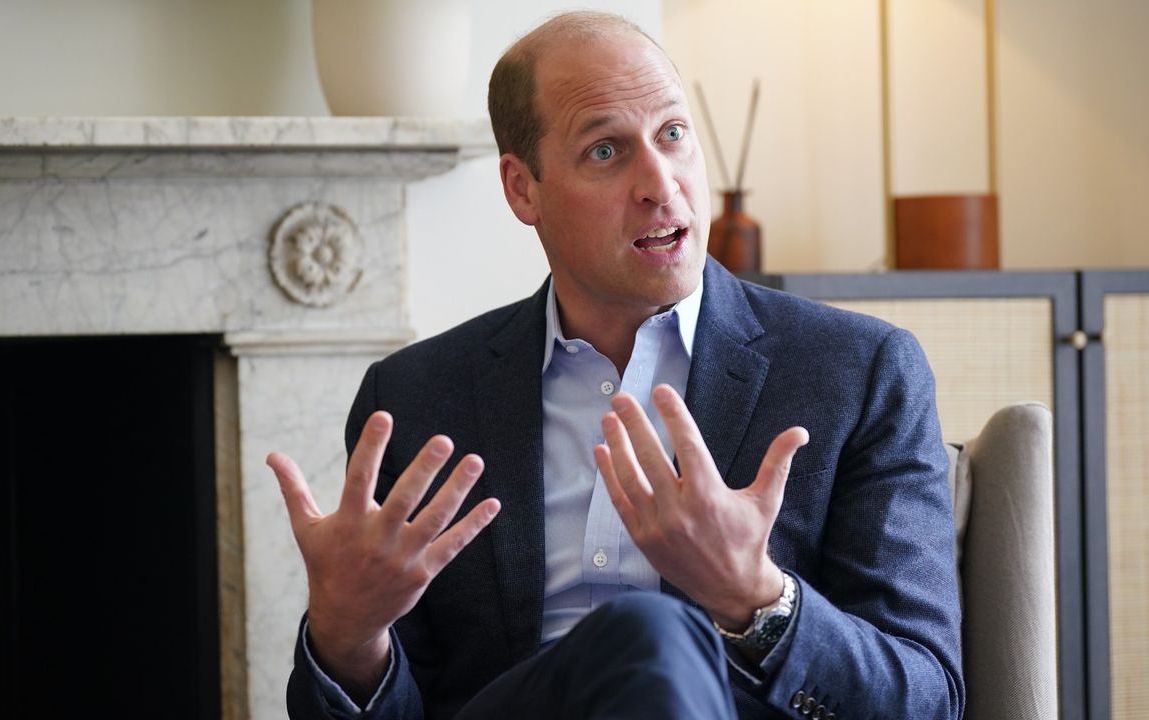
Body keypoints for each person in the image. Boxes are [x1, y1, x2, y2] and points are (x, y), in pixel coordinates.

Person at [269, 10, 964, 720]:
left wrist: (755, 597)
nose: (660, 185)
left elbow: (928, 698)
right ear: (522, 188)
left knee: (651, 633)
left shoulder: (860, 372)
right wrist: (348, 638)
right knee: (645, 630)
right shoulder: (418, 397)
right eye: (605, 151)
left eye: (672, 135)